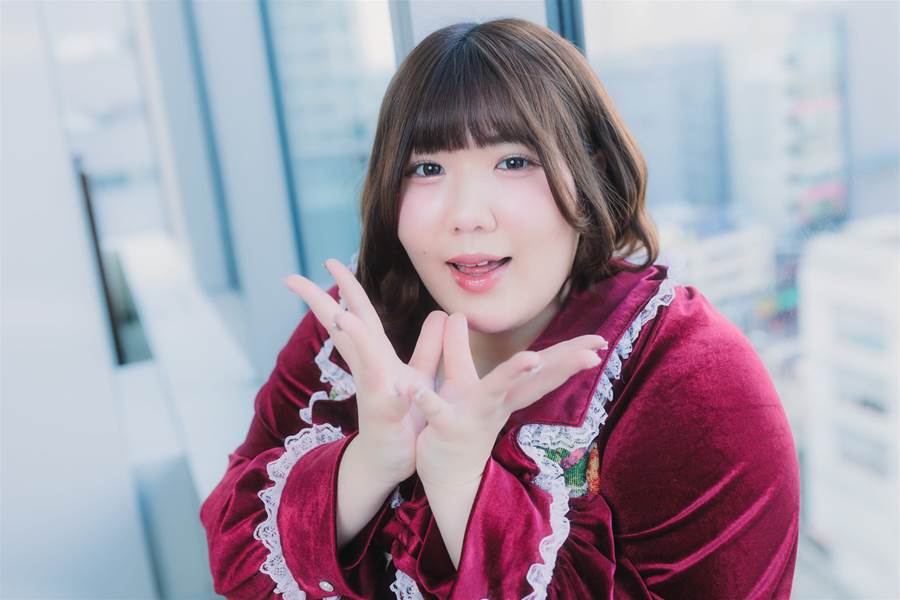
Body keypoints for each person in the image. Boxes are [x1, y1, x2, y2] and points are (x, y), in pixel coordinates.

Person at [199, 18, 799, 599]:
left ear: (590, 170)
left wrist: (463, 487)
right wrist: (368, 463)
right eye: (427, 168)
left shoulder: (693, 376)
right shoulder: (357, 331)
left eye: (514, 162)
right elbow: (233, 552)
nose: (467, 215)